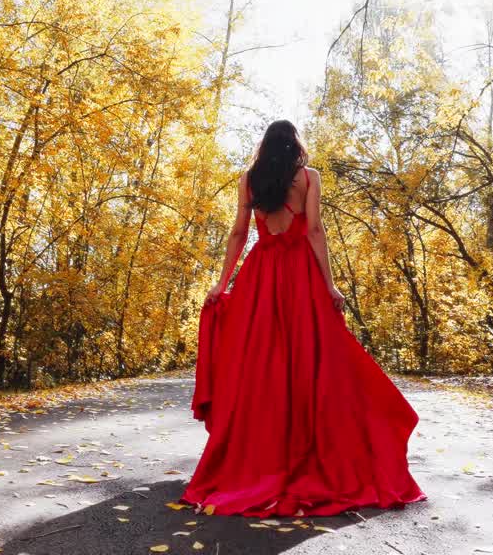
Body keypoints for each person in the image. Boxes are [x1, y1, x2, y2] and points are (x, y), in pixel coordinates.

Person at [181, 119, 426, 517]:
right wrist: (330, 285)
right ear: (295, 145)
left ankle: (258, 457)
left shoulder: (249, 179)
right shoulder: (308, 177)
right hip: (299, 275)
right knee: (314, 360)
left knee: (261, 365)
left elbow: (239, 235)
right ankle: (310, 449)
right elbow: (314, 231)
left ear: (265, 146)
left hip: (260, 276)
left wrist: (222, 283)